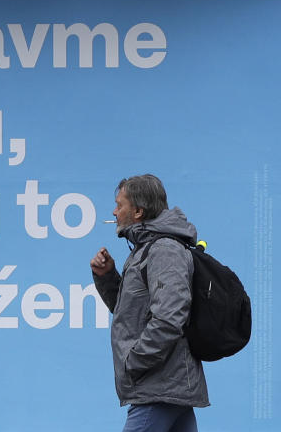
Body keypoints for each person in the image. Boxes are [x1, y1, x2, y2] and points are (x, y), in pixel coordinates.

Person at [90, 174, 208, 432]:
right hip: (166, 386)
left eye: (120, 205)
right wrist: (107, 276)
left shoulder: (164, 249)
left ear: (138, 212)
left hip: (159, 387)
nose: (114, 211)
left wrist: (134, 361)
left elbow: (169, 317)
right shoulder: (146, 249)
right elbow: (132, 314)